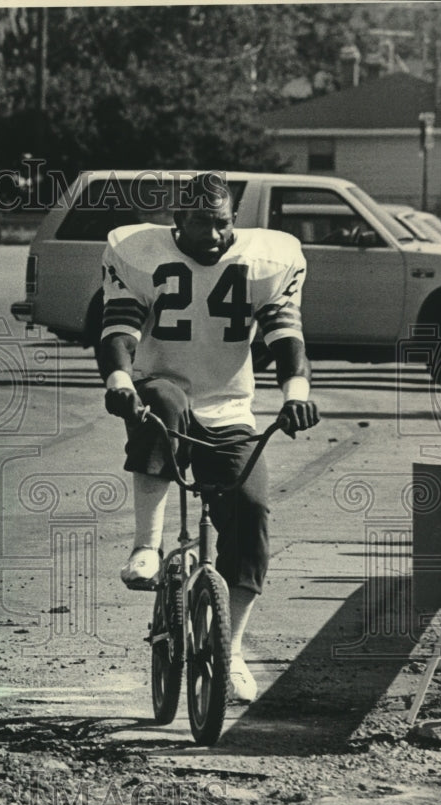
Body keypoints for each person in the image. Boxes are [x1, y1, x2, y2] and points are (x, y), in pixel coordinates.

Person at [99, 172, 320, 702]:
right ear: (177, 220)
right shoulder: (137, 251)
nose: (215, 235)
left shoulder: (267, 259)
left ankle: (232, 648)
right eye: (202, 223)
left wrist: (295, 392)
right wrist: (120, 382)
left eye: (222, 223)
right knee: (166, 402)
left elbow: (285, 332)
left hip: (229, 406)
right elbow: (119, 327)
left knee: (250, 515)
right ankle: (146, 548)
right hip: (160, 389)